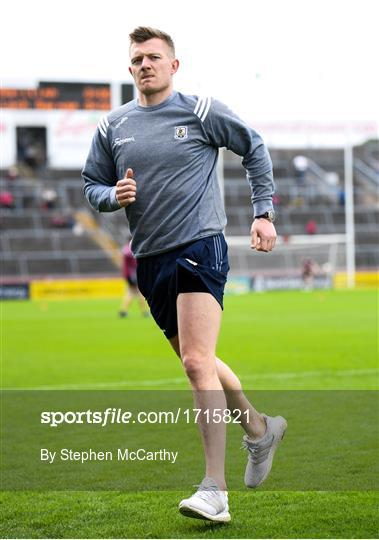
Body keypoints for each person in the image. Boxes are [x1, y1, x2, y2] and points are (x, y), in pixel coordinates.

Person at [82, 26, 287, 523]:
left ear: (174, 66)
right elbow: (91, 183)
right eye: (136, 59)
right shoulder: (113, 127)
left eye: (154, 57)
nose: (144, 65)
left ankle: (214, 490)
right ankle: (260, 430)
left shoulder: (200, 111)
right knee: (201, 360)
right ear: (129, 68)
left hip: (200, 245)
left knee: (196, 361)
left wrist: (263, 212)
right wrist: (113, 196)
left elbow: (253, 147)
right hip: (150, 261)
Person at [119, 240, 149, 318]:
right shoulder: (132, 249)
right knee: (139, 293)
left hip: (128, 275)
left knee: (130, 292)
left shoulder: (125, 249)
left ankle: (123, 310)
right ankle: (145, 311)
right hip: (133, 275)